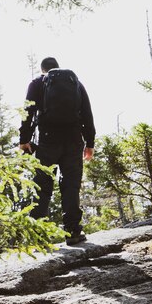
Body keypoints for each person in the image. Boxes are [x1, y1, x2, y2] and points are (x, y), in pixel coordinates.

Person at [19, 57, 95, 245]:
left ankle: (39, 236)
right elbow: (87, 113)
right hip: (74, 139)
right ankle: (73, 231)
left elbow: (28, 111)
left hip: (48, 139)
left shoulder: (38, 83)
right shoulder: (75, 83)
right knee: (71, 184)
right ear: (57, 67)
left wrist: (24, 139)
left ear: (43, 69)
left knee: (42, 184)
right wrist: (90, 143)